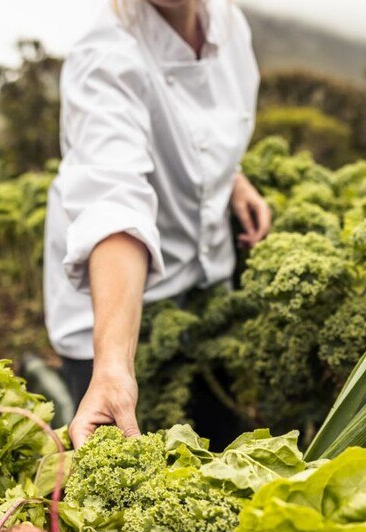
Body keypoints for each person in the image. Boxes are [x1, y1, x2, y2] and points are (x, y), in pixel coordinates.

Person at [44, 0, 271, 449]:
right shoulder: (105, 55)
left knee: (219, 435)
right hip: (112, 304)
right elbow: (114, 201)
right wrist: (112, 366)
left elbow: (203, 127)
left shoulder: (228, 23)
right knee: (132, 478)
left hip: (201, 282)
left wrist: (233, 177)